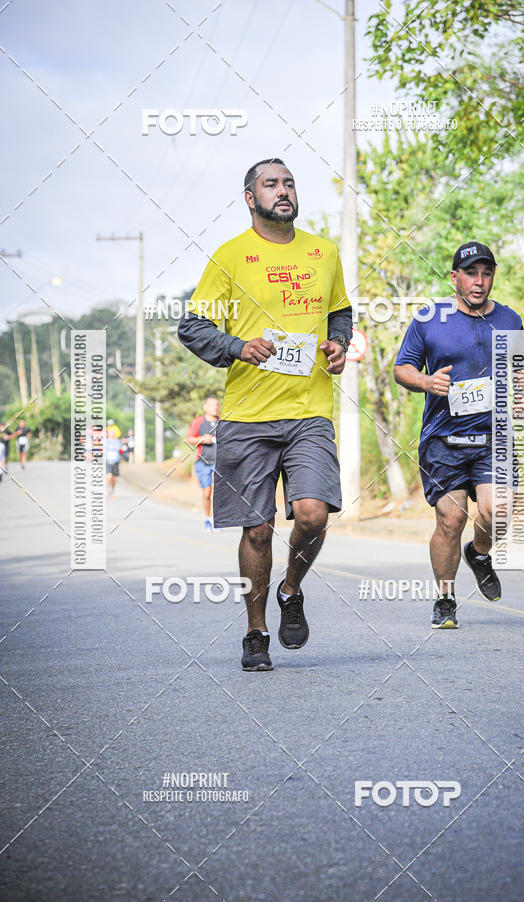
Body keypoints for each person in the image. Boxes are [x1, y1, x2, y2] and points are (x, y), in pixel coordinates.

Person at [179, 158, 352, 671]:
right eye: (271, 184)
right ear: (250, 198)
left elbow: (339, 310)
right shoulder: (231, 256)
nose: (283, 190)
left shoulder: (325, 251)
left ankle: (291, 588)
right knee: (256, 530)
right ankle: (255, 632)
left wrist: (338, 343)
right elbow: (192, 327)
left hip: (309, 411)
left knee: (314, 514)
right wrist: (237, 347)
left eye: (289, 183)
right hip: (248, 416)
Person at [394, 241, 524, 629]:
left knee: (499, 511)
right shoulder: (429, 319)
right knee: (450, 519)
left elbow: (522, 366)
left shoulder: (508, 320)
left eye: (487, 273)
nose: (479, 281)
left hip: (494, 436)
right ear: (455, 277)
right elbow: (401, 368)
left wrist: (520, 395)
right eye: (471, 273)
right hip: (444, 439)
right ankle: (445, 597)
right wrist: (426, 381)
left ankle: (480, 552)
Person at [187, 395, 220, 530]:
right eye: (212, 405)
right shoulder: (198, 422)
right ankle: (208, 519)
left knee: (219, 493)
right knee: (207, 493)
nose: (215, 407)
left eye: (217, 405)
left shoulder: (222, 422)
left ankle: (218, 521)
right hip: (203, 462)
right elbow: (189, 439)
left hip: (220, 462)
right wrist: (202, 439)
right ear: (205, 407)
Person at [106, 419, 122, 497]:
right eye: (110, 433)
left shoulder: (117, 441)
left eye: (112, 433)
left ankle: (112, 490)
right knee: (109, 476)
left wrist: (120, 449)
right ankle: (107, 490)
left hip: (115, 461)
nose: (111, 434)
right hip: (108, 461)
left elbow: (120, 450)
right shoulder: (106, 441)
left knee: (114, 478)